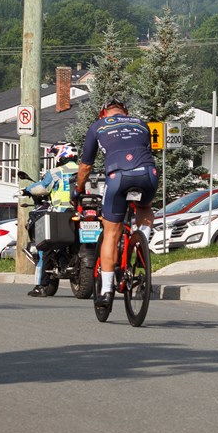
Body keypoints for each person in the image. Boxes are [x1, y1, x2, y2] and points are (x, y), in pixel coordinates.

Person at [74, 98, 158, 309]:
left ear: (103, 113)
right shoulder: (141, 123)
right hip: (148, 174)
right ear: (125, 112)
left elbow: (85, 167)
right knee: (144, 207)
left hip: (118, 177)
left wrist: (79, 190)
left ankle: (106, 291)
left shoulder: (98, 126)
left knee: (111, 233)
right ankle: (142, 241)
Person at [26, 143, 81, 297]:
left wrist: (26, 190)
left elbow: (43, 187)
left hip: (61, 215)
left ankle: (41, 286)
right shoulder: (85, 170)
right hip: (83, 214)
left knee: (45, 247)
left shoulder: (57, 172)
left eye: (55, 153)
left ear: (61, 155)